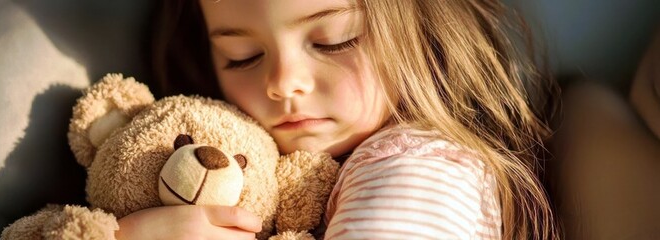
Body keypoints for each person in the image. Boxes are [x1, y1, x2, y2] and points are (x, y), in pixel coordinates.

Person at [115, 0, 560, 239]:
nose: (283, 83)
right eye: (241, 57)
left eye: (333, 41)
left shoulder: (413, 168)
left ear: (423, 29)